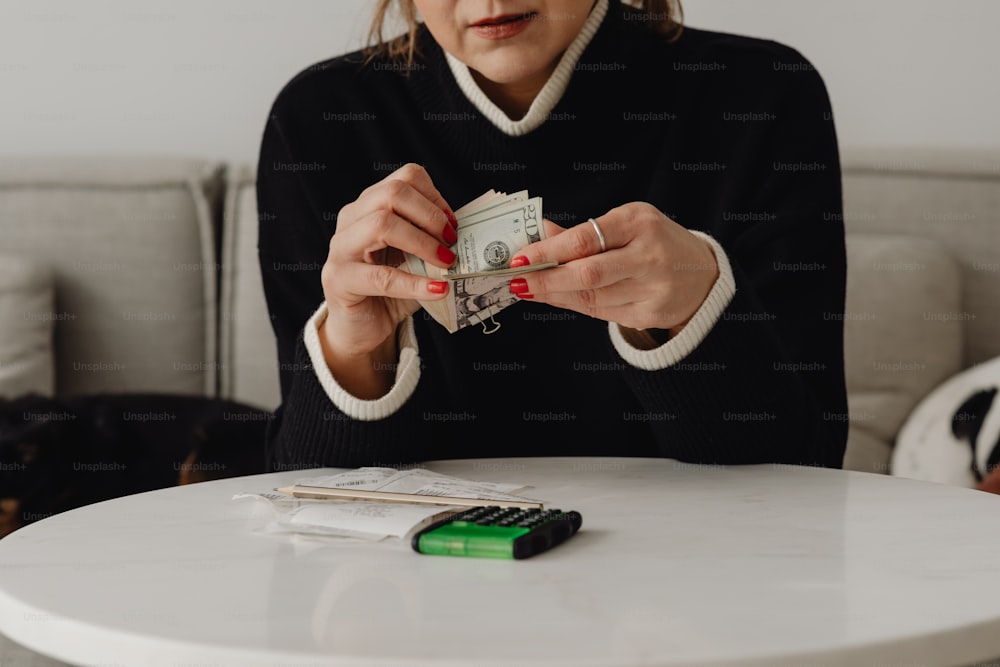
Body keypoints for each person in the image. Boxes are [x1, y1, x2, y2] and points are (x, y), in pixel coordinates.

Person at [256, 0, 847, 470]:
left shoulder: (763, 96)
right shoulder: (318, 121)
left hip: (689, 585)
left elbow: (807, 465)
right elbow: (306, 483)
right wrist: (356, 357)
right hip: (424, 584)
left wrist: (700, 316)